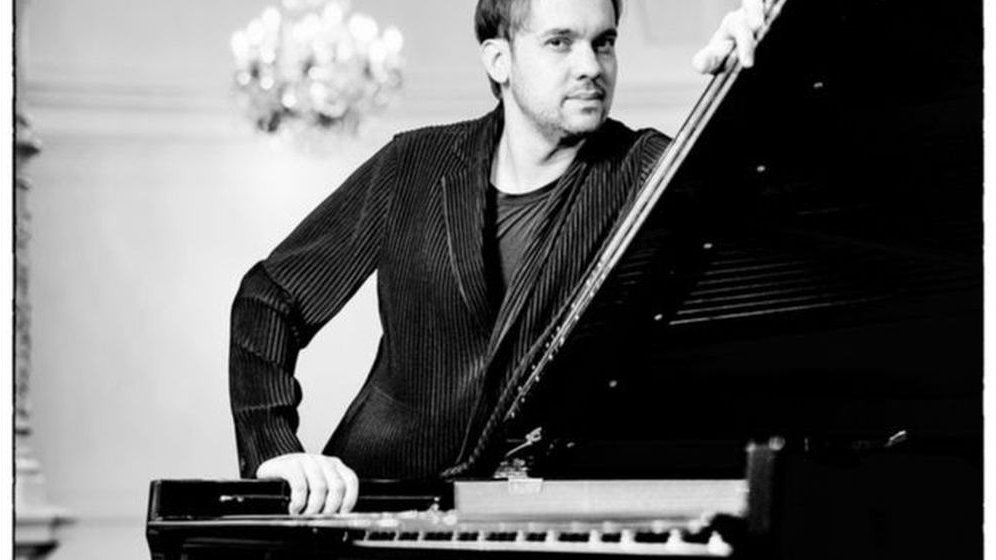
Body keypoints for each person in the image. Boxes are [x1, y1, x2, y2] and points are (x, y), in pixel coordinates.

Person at [230, 0, 766, 517]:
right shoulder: (412, 164)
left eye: (604, 43)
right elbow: (269, 297)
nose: (590, 67)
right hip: (376, 506)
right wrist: (274, 447)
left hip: (538, 523)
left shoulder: (647, 169)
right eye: (560, 42)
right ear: (499, 60)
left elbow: (779, 222)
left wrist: (762, 81)